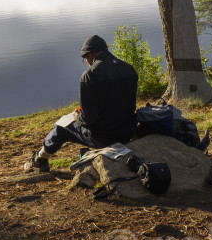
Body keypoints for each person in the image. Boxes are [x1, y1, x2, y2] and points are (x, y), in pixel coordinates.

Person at [23, 34, 138, 173]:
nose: (86, 62)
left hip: (105, 137)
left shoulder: (90, 75)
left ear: (90, 54)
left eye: (85, 59)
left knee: (62, 127)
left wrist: (77, 117)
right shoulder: (129, 68)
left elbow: (88, 118)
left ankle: (39, 160)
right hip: (127, 131)